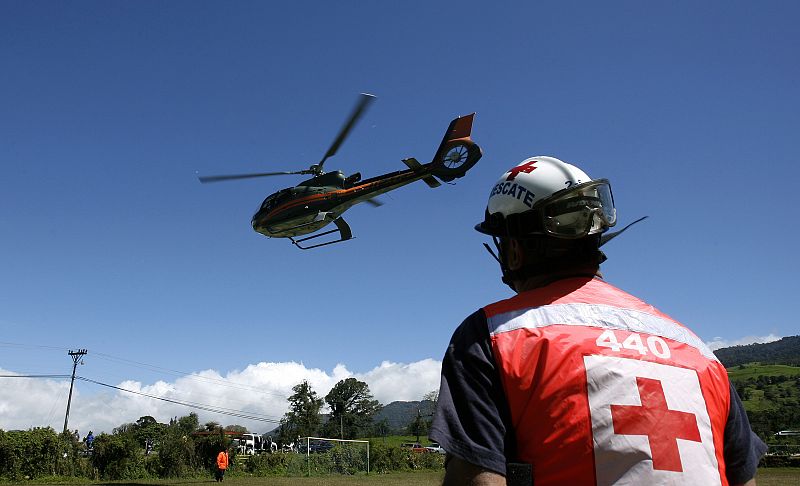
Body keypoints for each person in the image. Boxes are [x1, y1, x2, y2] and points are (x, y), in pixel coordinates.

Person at [429, 156, 767, 486]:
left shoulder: (492, 335)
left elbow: (476, 477)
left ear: (513, 250)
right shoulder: (697, 350)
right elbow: (743, 478)